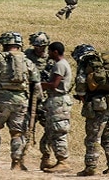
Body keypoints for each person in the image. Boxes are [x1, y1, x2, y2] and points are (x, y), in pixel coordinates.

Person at [0, 31, 41, 170]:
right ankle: (16, 163)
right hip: (20, 103)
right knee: (17, 133)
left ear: (3, 44)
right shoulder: (27, 62)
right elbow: (36, 85)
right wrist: (35, 104)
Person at [72, 44, 109, 176]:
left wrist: (84, 98)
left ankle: (91, 167)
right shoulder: (105, 64)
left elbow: (80, 87)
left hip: (98, 106)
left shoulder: (87, 63)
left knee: (93, 138)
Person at [40, 42, 73, 173]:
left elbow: (54, 84)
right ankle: (47, 159)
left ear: (55, 52)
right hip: (54, 102)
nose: (48, 54)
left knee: (59, 132)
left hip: (59, 102)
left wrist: (40, 84)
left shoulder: (59, 65)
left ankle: (63, 162)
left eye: (49, 51)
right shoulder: (62, 64)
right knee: (49, 132)